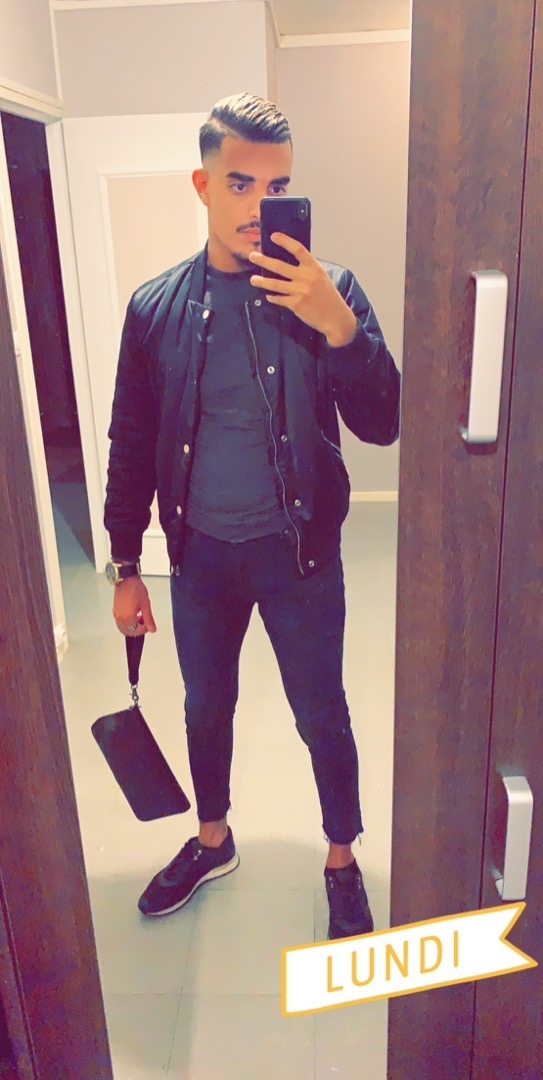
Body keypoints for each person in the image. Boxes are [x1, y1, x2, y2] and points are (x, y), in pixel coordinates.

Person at [104, 92, 401, 941]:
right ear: (202, 185)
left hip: (297, 553)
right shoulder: (154, 308)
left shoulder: (329, 291)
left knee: (320, 712)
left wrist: (339, 327)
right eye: (240, 184)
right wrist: (126, 567)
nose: (257, 206)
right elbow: (131, 442)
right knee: (205, 707)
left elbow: (384, 423)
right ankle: (212, 839)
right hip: (198, 556)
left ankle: (340, 859)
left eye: (277, 187)